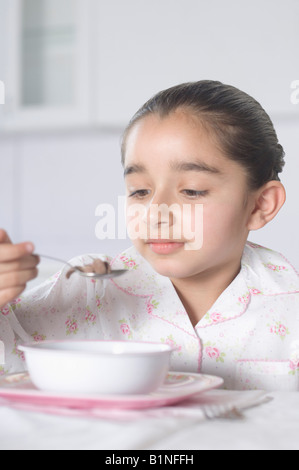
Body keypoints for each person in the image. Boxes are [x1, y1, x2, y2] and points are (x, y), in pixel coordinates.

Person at [0, 80, 298, 390]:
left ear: (260, 205)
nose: (155, 212)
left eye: (192, 190)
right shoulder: (89, 290)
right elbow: (10, 359)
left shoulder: (291, 306)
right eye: (140, 191)